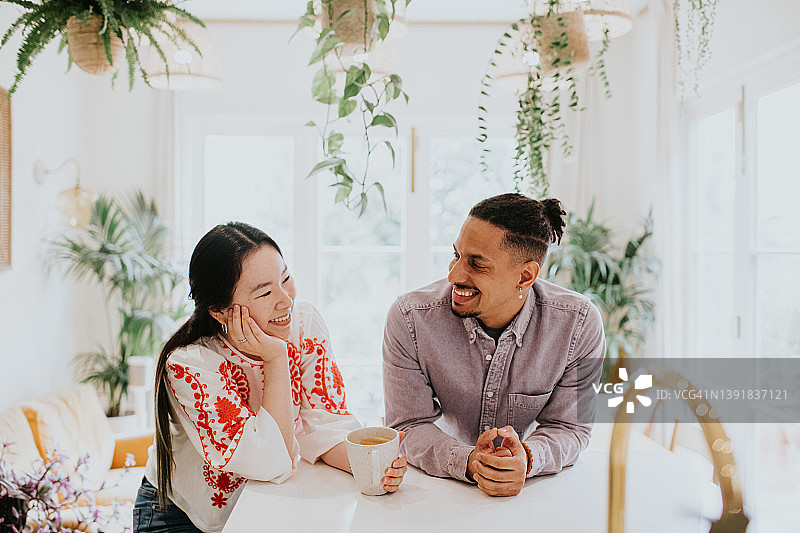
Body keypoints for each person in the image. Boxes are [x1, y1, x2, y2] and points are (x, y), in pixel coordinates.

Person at [134, 222, 407, 533]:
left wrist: (371, 466)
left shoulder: (303, 325)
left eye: (285, 278)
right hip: (182, 517)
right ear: (221, 312)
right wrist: (276, 357)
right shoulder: (191, 364)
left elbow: (325, 423)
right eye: (265, 292)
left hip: (261, 507)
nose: (286, 300)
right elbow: (269, 462)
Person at [383, 193, 604, 497]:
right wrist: (468, 461)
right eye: (456, 255)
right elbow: (409, 424)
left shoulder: (578, 324)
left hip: (535, 495)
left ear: (525, 276)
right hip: (435, 490)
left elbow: (570, 429)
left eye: (477, 264)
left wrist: (527, 458)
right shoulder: (411, 318)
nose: (454, 274)